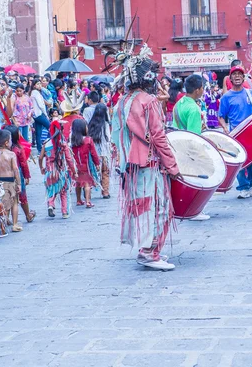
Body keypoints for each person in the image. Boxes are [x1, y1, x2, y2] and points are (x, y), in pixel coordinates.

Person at [111, 43, 181, 271]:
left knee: (141, 207)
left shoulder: (122, 102)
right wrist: (172, 166)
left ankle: (145, 248)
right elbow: (159, 137)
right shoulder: (148, 101)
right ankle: (150, 252)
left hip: (130, 166)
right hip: (150, 163)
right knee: (161, 208)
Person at [218, 65, 252, 199]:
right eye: (234, 74)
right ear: (230, 78)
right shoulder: (226, 97)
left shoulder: (251, 93)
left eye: (240, 74)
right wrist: (225, 129)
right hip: (236, 134)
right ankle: (243, 187)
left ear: (243, 78)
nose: (237, 76)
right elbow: (221, 116)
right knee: (240, 161)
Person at [173, 74, 211, 221]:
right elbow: (194, 138)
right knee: (197, 180)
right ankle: (195, 210)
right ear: (197, 90)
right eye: (202, 88)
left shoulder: (180, 103)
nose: (203, 90)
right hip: (189, 150)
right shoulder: (194, 109)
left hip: (178, 146)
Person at [39, 120, 77, 219]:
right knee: (63, 191)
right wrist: (74, 171)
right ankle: (65, 212)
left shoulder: (46, 143)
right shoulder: (63, 144)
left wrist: (41, 168)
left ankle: (51, 205)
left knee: (51, 190)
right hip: (61, 172)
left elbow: (40, 157)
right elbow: (69, 159)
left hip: (50, 172)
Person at [0, 129, 22, 232]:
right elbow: (15, 169)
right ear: (6, 142)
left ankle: (2, 223)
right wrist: (19, 183)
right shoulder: (11, 154)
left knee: (2, 203)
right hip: (10, 180)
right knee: (14, 202)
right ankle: (15, 224)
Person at [6, 125, 36, 224]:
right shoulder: (19, 149)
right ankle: (28, 215)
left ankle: (6, 219)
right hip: (18, 175)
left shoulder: (2, 151)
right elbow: (23, 164)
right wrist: (27, 176)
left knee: (8, 196)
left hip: (6, 176)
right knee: (22, 195)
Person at [71, 119, 100, 208]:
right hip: (86, 164)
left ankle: (78, 200)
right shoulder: (88, 140)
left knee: (78, 183)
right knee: (87, 183)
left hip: (76, 165)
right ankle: (88, 201)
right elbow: (94, 153)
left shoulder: (72, 140)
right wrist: (97, 163)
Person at [88, 103, 111, 199]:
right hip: (104, 153)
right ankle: (105, 192)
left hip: (93, 154)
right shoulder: (105, 125)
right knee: (105, 172)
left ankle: (87, 191)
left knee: (91, 173)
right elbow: (108, 138)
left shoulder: (90, 124)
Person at [30, 79, 51, 153]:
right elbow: (41, 105)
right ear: (34, 85)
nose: (40, 85)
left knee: (38, 132)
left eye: (40, 84)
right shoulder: (35, 93)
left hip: (36, 115)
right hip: (39, 114)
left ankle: (40, 149)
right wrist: (45, 114)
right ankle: (51, 144)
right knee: (50, 127)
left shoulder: (34, 92)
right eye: (38, 84)